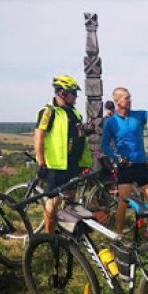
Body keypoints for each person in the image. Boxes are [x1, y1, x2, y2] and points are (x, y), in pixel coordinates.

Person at [34, 76, 92, 234]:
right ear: (63, 93)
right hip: (56, 165)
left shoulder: (74, 113)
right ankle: (49, 235)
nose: (76, 96)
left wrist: (87, 131)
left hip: (72, 164)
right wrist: (41, 164)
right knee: (52, 203)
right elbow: (39, 137)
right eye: (73, 93)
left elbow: (77, 134)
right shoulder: (49, 111)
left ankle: (66, 234)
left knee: (70, 201)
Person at [101, 87, 148, 237]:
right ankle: (119, 234)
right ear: (117, 101)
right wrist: (116, 157)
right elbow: (105, 144)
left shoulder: (139, 115)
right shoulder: (111, 122)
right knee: (123, 202)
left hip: (141, 163)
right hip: (125, 165)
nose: (130, 100)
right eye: (126, 98)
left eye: (130, 97)